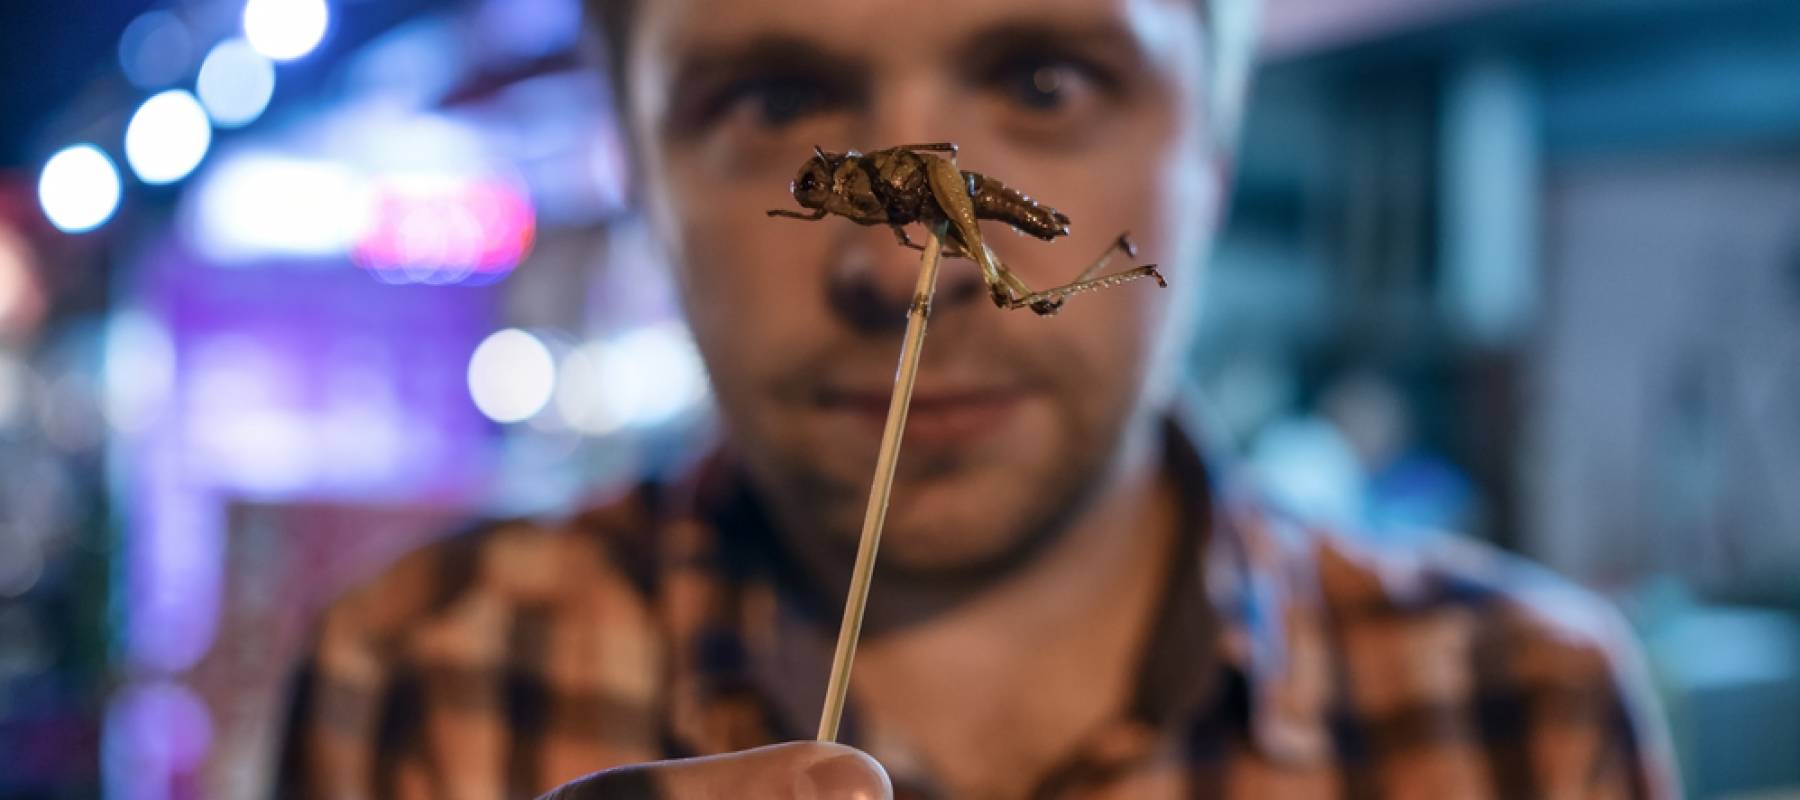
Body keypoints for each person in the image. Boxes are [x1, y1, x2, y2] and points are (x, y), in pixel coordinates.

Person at [278, 0, 1677, 797]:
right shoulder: (419, 685)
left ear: (1216, 146)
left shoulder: (1523, 721)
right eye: (769, 101)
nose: (909, 273)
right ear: (638, 175)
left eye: (1046, 80)